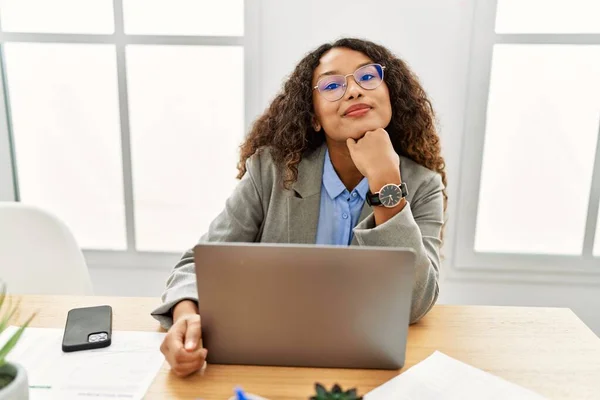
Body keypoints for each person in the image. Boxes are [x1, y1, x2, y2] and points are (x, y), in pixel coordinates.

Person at [152, 38, 447, 377]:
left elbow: (414, 304)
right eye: (333, 85)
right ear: (315, 118)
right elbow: (198, 262)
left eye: (367, 77)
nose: (353, 91)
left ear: (389, 95)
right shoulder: (271, 171)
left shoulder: (423, 185)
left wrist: (384, 183)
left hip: (367, 365)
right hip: (271, 356)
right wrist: (187, 314)